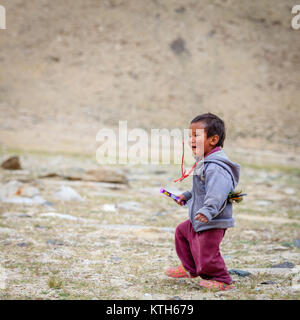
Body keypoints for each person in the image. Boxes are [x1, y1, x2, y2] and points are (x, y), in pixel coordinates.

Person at [165, 113, 240, 291]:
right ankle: (189, 268)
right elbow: (201, 189)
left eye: (196, 136)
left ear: (213, 139)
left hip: (212, 219)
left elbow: (217, 194)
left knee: (207, 252)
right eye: (190, 136)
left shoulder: (216, 167)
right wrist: (187, 195)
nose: (191, 140)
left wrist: (207, 211)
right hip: (201, 216)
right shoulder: (205, 162)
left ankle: (222, 279)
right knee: (182, 232)